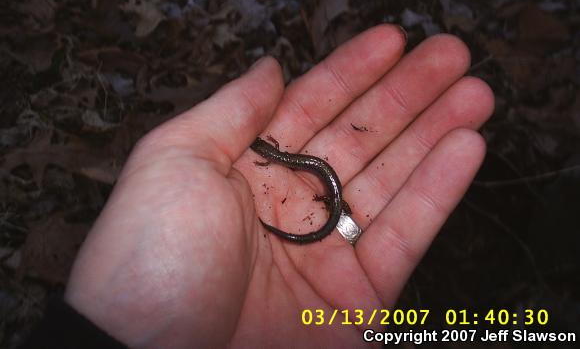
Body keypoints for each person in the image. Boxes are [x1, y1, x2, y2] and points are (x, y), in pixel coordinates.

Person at [23, 25, 494, 348]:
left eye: (266, 153)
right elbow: (300, 166)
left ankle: (310, 226)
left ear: (269, 154)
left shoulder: (297, 166)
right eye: (267, 153)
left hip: (326, 195)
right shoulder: (286, 160)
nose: (266, 154)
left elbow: (308, 171)